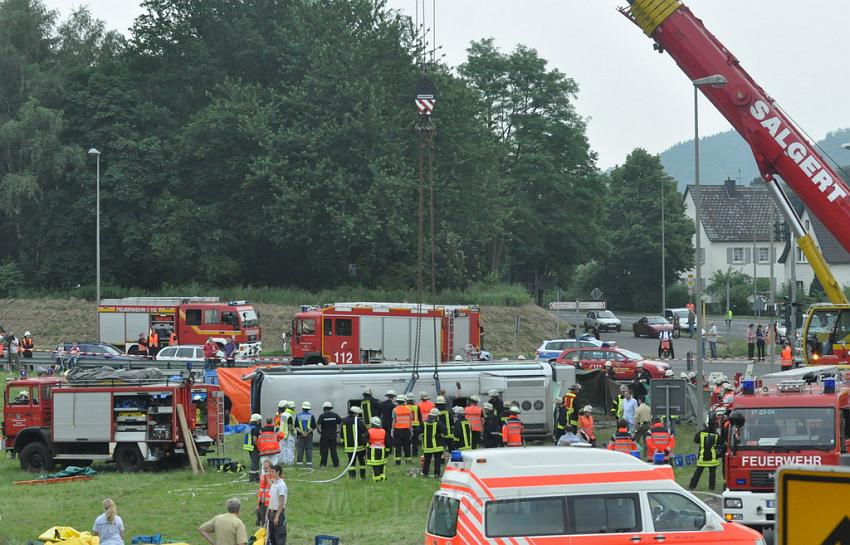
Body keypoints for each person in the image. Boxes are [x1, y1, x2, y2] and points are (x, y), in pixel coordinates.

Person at [688, 421, 720, 491]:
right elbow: (719, 446)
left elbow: (696, 440)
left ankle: (692, 486)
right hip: (712, 458)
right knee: (712, 474)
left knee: (698, 473)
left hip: (702, 457)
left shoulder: (701, 433)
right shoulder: (717, 434)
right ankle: (711, 488)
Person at [341, 405, 368, 479]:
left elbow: (341, 434)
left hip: (349, 447)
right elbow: (365, 431)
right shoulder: (358, 421)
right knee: (361, 461)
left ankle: (352, 476)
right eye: (357, 414)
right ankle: (362, 476)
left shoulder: (344, 421)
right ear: (355, 414)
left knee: (351, 462)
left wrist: (343, 443)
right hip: (359, 447)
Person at [422, 408, 446, 478]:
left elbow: (418, 430)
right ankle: (437, 474)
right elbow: (445, 431)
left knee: (427, 460)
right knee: (437, 460)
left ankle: (425, 473)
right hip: (437, 446)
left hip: (427, 446)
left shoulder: (424, 423)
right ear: (437, 416)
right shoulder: (439, 423)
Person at [266, 465, 287, 545]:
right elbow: (271, 499)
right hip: (271, 513)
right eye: (270, 471)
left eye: (273, 471)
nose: (271, 473)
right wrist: (267, 513)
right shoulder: (274, 484)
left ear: (278, 472)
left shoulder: (281, 485)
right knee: (272, 537)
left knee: (279, 536)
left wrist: (277, 516)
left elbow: (281, 501)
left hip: (277, 513)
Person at [316, 401, 340, 468]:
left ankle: (323, 464)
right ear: (330, 408)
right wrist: (338, 430)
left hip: (324, 436)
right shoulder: (335, 415)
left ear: (324, 408)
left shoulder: (322, 415)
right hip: (333, 436)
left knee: (324, 451)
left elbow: (318, 425)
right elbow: (340, 422)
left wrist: (319, 431)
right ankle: (336, 464)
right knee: (334, 451)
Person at [391, 394, 412, 464]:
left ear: (398, 401)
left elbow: (394, 420)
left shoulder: (395, 409)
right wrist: (411, 429)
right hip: (406, 429)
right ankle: (408, 460)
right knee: (407, 445)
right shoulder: (408, 409)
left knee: (398, 446)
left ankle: (398, 461)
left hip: (397, 430)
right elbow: (410, 420)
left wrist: (392, 430)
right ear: (404, 401)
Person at [294, 401, 316, 467]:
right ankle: (309, 463)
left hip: (300, 435)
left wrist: (302, 432)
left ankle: (299, 463)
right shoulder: (311, 416)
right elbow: (313, 426)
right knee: (309, 449)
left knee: (300, 449)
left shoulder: (298, 416)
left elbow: (296, 426)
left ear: (302, 408)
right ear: (309, 408)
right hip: (309, 435)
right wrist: (307, 433)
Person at [366, 416, 388, 481]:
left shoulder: (369, 431)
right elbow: (387, 442)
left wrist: (367, 445)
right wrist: (387, 451)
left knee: (375, 465)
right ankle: (382, 477)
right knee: (381, 465)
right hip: (382, 451)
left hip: (373, 451)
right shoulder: (383, 431)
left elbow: (363, 439)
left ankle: (377, 479)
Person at [244, 413, 262, 482]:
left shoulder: (249, 427)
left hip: (249, 447)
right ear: (257, 421)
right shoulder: (254, 429)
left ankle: (256, 477)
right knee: (255, 462)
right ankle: (252, 478)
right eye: (259, 420)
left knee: (254, 462)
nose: (260, 422)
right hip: (253, 447)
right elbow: (255, 440)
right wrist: (258, 447)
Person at [256, 459, 272, 526]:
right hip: (262, 502)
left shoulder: (275, 477)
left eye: (266, 468)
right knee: (263, 522)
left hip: (271, 503)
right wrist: (258, 504)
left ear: (271, 468)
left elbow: (273, 487)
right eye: (264, 468)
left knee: (270, 521)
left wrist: (267, 477)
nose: (265, 470)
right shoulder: (262, 476)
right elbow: (261, 490)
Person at [280, 401, 296, 465]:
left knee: (283, 448)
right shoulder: (289, 415)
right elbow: (290, 426)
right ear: (292, 408)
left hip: (282, 433)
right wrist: (293, 433)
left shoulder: (283, 414)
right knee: (290, 448)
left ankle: (285, 461)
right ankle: (290, 462)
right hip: (288, 434)